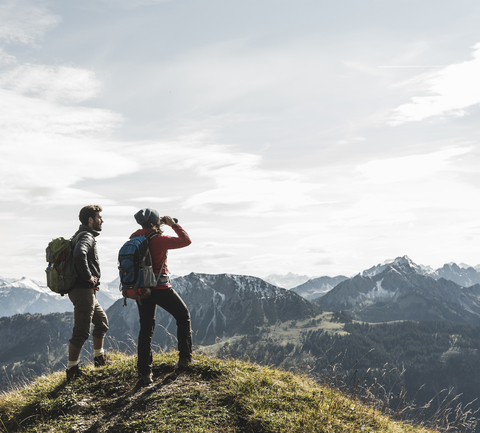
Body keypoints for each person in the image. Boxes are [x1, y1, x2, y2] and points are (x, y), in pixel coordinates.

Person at [132, 208, 192, 385]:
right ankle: (185, 359)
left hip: (142, 289)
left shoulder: (135, 238)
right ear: (155, 222)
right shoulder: (158, 239)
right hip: (160, 287)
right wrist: (173, 224)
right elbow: (186, 241)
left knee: (146, 327)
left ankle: (145, 372)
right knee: (183, 316)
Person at [66, 205, 111, 382]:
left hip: (86, 291)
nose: (102, 221)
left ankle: (99, 359)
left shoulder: (79, 235)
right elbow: (79, 254)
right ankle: (72, 370)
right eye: (99, 217)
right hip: (83, 290)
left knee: (102, 323)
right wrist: (88, 277)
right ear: (90, 220)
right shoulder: (86, 236)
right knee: (82, 331)